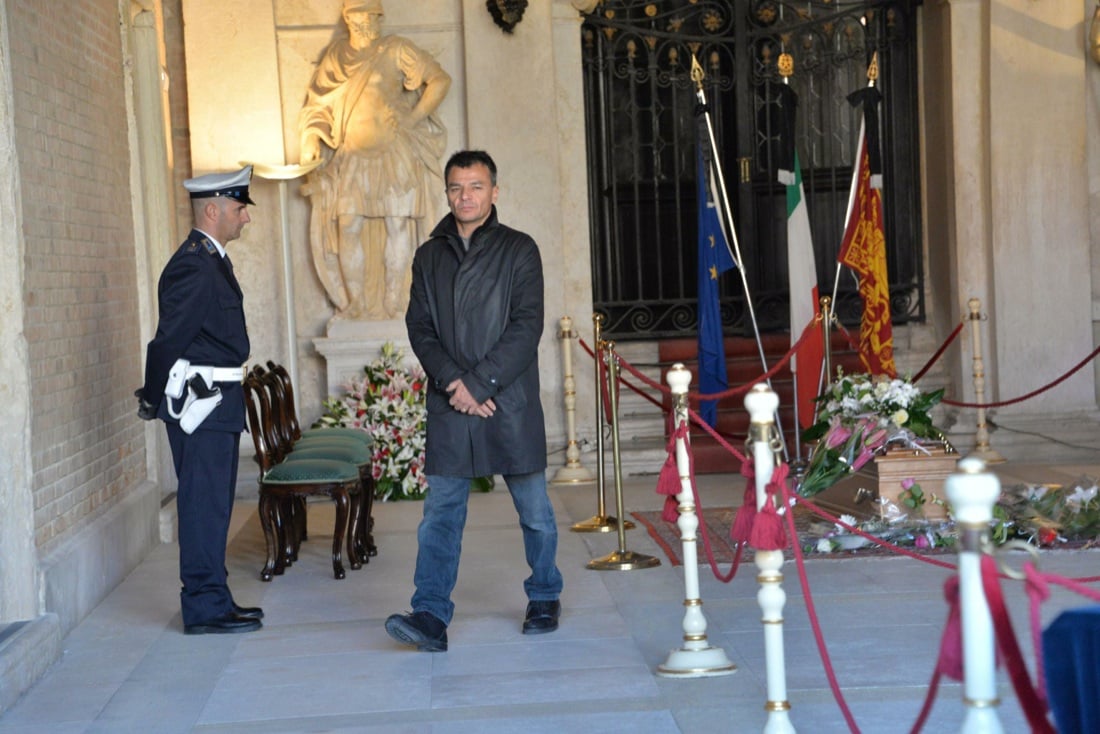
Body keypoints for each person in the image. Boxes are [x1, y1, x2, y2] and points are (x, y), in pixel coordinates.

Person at [385, 150, 563, 652]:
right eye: (456, 187)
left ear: (494, 191)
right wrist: (454, 384)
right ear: (447, 193)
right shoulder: (429, 256)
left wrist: (480, 384)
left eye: (476, 186)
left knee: (534, 510)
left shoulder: (520, 249)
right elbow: (419, 327)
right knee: (440, 516)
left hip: (508, 400)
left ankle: (545, 594)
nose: (466, 196)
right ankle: (430, 614)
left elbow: (526, 326)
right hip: (450, 402)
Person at [135, 166, 263, 635]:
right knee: (202, 506)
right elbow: (167, 341)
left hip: (218, 403)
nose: (245, 217)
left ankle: (215, 598)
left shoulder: (211, 260)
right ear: (213, 210)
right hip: (201, 405)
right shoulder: (194, 264)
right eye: (239, 208)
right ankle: (204, 607)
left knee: (213, 507)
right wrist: (152, 397)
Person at [298, 0, 451, 321]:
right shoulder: (337, 57)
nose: (368, 22)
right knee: (348, 225)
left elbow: (440, 81)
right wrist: (311, 139)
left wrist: (412, 118)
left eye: (372, 15)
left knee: (397, 224)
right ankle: (355, 303)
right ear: (349, 18)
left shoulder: (395, 48)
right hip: (353, 156)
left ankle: (394, 300)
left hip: (394, 153)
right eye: (361, 15)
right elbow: (317, 105)